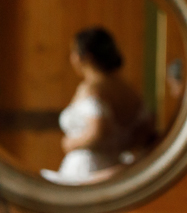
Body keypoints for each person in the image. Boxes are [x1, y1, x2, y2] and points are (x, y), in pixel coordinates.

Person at [41, 27, 155, 185]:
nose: (71, 58)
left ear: (85, 57)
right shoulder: (130, 91)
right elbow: (145, 132)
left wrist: (71, 143)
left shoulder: (91, 88)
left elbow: (99, 130)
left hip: (87, 169)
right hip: (115, 169)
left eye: (73, 52)